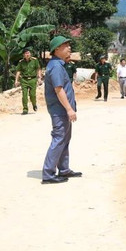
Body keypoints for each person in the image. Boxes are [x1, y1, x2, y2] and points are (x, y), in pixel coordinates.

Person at [41, 36, 81, 184]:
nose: (69, 48)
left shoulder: (58, 64)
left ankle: (64, 169)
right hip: (60, 110)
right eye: (65, 45)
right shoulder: (56, 66)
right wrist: (69, 109)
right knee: (59, 139)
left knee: (64, 139)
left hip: (62, 110)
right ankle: (48, 174)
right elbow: (59, 90)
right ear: (56, 49)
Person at [14, 47, 41, 115]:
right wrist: (16, 80)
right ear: (23, 55)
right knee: (24, 95)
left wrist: (39, 78)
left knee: (32, 95)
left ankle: (34, 104)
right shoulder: (21, 62)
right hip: (24, 80)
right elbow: (18, 71)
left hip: (33, 79)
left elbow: (38, 69)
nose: (27, 54)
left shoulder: (35, 60)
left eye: (28, 53)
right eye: (26, 53)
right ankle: (25, 109)